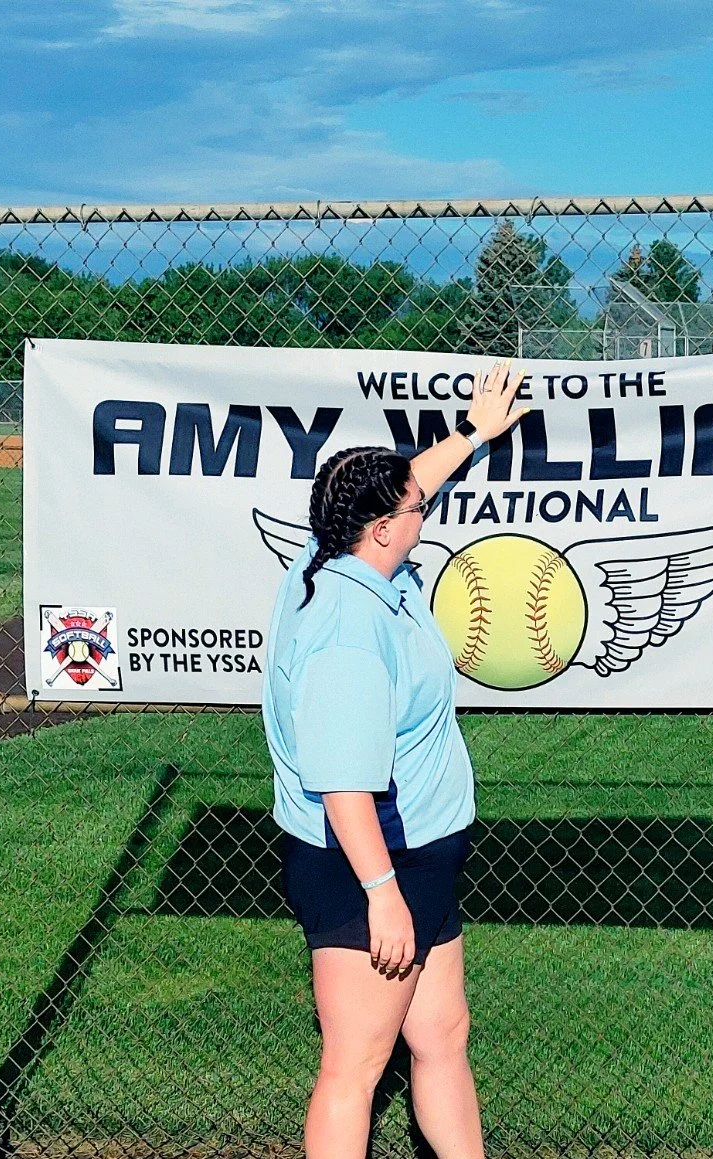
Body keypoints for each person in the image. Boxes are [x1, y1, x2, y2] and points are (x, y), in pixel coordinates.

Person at [264, 361, 527, 1159]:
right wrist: (382, 896)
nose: (426, 509)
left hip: (423, 856)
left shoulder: (348, 551)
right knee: (357, 1061)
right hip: (370, 862)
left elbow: (405, 480)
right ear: (381, 526)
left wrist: (474, 433)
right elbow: (344, 787)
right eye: (416, 509)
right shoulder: (350, 631)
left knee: (442, 1032)